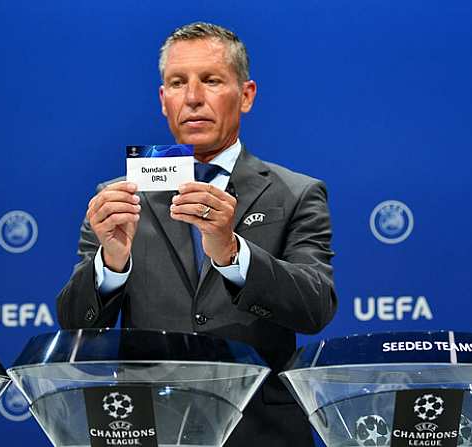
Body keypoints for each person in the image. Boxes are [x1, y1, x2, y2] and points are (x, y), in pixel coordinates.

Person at [56, 22, 336, 447]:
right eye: (177, 82)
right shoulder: (117, 200)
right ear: (162, 99)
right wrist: (111, 264)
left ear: (246, 95)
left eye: (211, 80)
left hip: (260, 432)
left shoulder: (296, 194)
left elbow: (315, 307)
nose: (193, 98)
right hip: (151, 427)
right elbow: (75, 326)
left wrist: (231, 252)